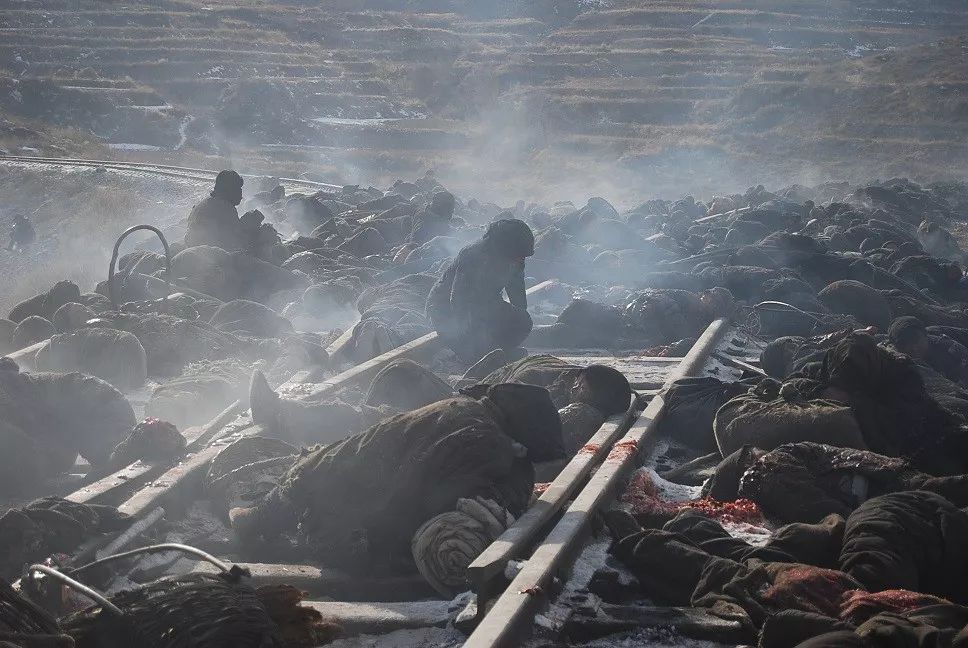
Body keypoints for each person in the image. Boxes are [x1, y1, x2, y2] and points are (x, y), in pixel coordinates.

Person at [231, 383, 565, 578]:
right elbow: (445, 502)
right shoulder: (494, 448)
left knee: (344, 467)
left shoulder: (456, 407)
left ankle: (260, 520)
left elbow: (336, 456)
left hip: (330, 510)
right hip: (359, 543)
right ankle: (270, 524)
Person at [426, 218, 535, 362]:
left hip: (486, 305)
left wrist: (519, 319)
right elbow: (458, 299)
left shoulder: (515, 260)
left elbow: (517, 292)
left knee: (523, 322)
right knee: (477, 350)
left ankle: (498, 349)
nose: (521, 260)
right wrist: (468, 337)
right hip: (446, 310)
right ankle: (475, 353)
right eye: (519, 256)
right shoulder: (473, 255)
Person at [184, 170, 246, 251]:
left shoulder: (207, 202)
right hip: (207, 255)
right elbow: (235, 241)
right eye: (238, 189)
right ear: (229, 190)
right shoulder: (225, 209)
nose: (241, 193)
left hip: (193, 250)